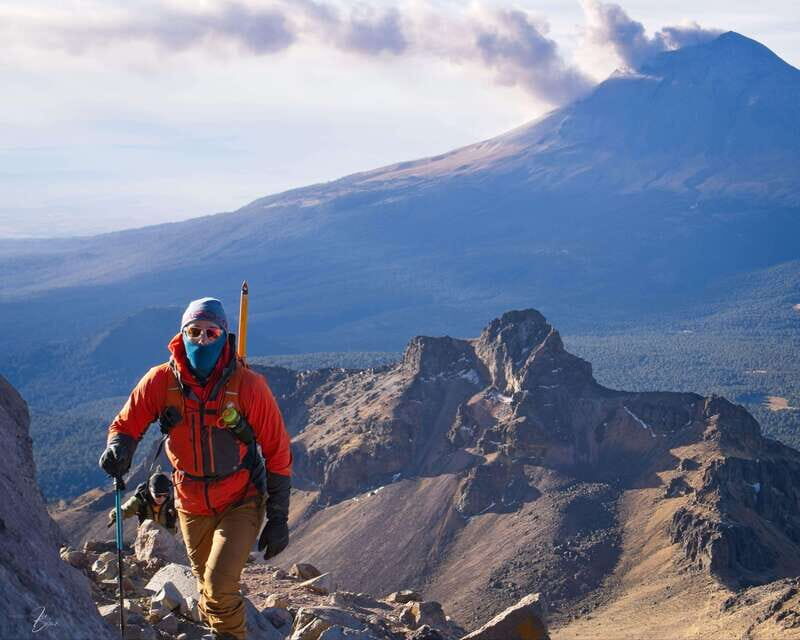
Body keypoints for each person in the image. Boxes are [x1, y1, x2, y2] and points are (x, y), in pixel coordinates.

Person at [99, 297, 292, 640]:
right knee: (206, 587)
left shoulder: (248, 386)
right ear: (182, 333)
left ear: (224, 337)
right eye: (194, 331)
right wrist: (118, 448)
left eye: (211, 332)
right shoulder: (161, 381)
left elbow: (277, 451)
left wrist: (278, 516)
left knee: (217, 590)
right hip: (190, 504)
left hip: (240, 498)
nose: (202, 340)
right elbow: (126, 424)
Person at [107, 471, 178, 533]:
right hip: (146, 537)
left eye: (165, 495)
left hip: (169, 540)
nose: (162, 498)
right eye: (157, 495)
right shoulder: (140, 499)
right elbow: (125, 510)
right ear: (150, 490)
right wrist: (116, 514)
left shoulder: (173, 499)